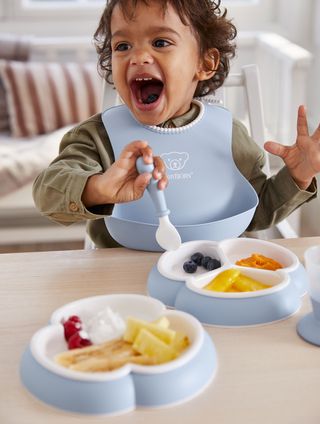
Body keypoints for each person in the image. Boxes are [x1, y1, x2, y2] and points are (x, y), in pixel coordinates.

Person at [33, 0, 319, 249]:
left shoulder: (228, 134)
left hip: (213, 278)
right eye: (122, 46)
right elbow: (47, 193)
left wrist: (298, 176)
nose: (138, 57)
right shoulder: (97, 136)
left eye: (160, 42)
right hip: (122, 278)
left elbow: (257, 212)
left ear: (205, 63)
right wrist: (99, 188)